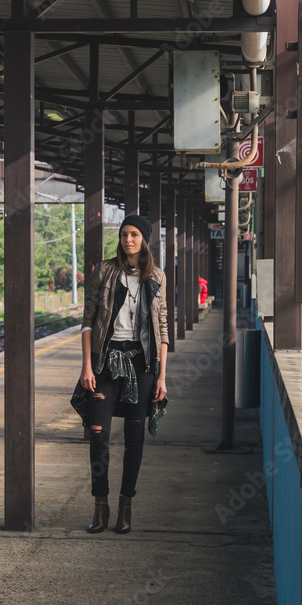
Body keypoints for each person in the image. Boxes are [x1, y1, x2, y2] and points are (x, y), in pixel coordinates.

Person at [78, 214, 169, 534]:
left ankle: (125, 506)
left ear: (144, 239)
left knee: (135, 438)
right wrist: (87, 365)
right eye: (124, 234)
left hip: (142, 365)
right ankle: (100, 507)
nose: (128, 240)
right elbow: (88, 321)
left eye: (134, 235)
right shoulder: (104, 271)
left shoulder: (157, 276)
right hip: (105, 362)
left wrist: (161, 376)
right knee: (98, 434)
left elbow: (163, 328)